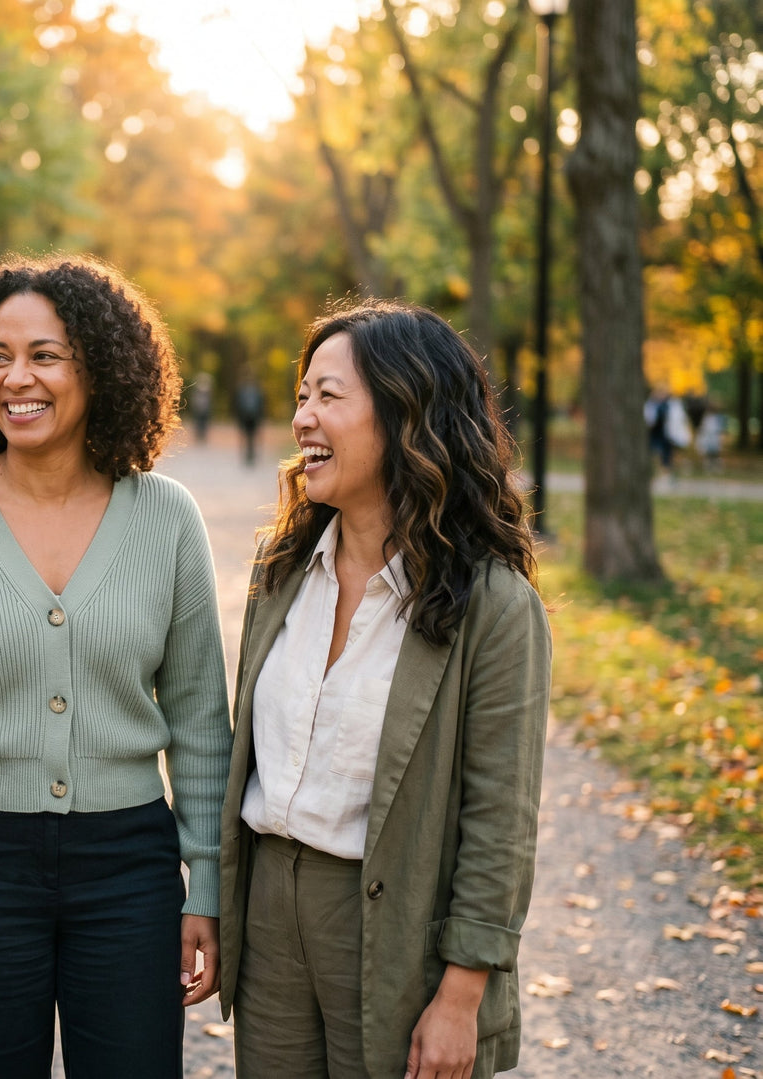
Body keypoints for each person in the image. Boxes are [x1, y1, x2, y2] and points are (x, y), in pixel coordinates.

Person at [0, 254, 232, 1078]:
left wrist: (203, 882)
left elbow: (202, 718)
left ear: (98, 366)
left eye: (44, 354)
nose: (15, 377)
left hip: (129, 868)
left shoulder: (166, 519)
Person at [217, 299, 551, 1079]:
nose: (302, 417)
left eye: (328, 396)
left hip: (392, 923)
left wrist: (461, 994)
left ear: (408, 414)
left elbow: (500, 819)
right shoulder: (282, 572)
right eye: (302, 395)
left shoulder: (494, 606)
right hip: (269, 919)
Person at [644, 385, 690, 478]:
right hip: (655, 432)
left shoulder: (672, 405)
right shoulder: (651, 404)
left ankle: (668, 472)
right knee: (655, 452)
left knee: (668, 453)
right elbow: (649, 417)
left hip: (668, 433)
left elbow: (678, 418)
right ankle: (657, 471)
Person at [232, 368, 264, 467]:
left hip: (253, 418)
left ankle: (251, 454)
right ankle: (246, 455)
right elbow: (238, 405)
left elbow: (260, 405)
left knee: (252, 437)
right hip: (245, 417)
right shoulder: (243, 391)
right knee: (245, 437)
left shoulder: (256, 391)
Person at [696, 400, 725, 473]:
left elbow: (720, 428)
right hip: (709, 437)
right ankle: (709, 466)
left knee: (714, 452)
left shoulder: (717, 417)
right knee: (709, 452)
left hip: (714, 437)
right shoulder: (707, 417)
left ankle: (714, 466)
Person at [190, 371, 214, 443]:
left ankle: (202, 436)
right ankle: (199, 436)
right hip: (200, 409)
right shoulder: (199, 392)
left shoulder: (206, 392)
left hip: (204, 410)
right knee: (199, 423)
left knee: (203, 423)